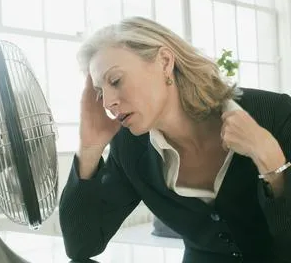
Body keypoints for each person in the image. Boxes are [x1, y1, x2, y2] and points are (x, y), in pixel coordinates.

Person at [58, 16, 291, 263]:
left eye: (115, 81)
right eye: (100, 92)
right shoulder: (129, 147)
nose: (107, 103)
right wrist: (89, 149)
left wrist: (272, 163)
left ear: (165, 62)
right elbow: (81, 246)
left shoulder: (276, 114)